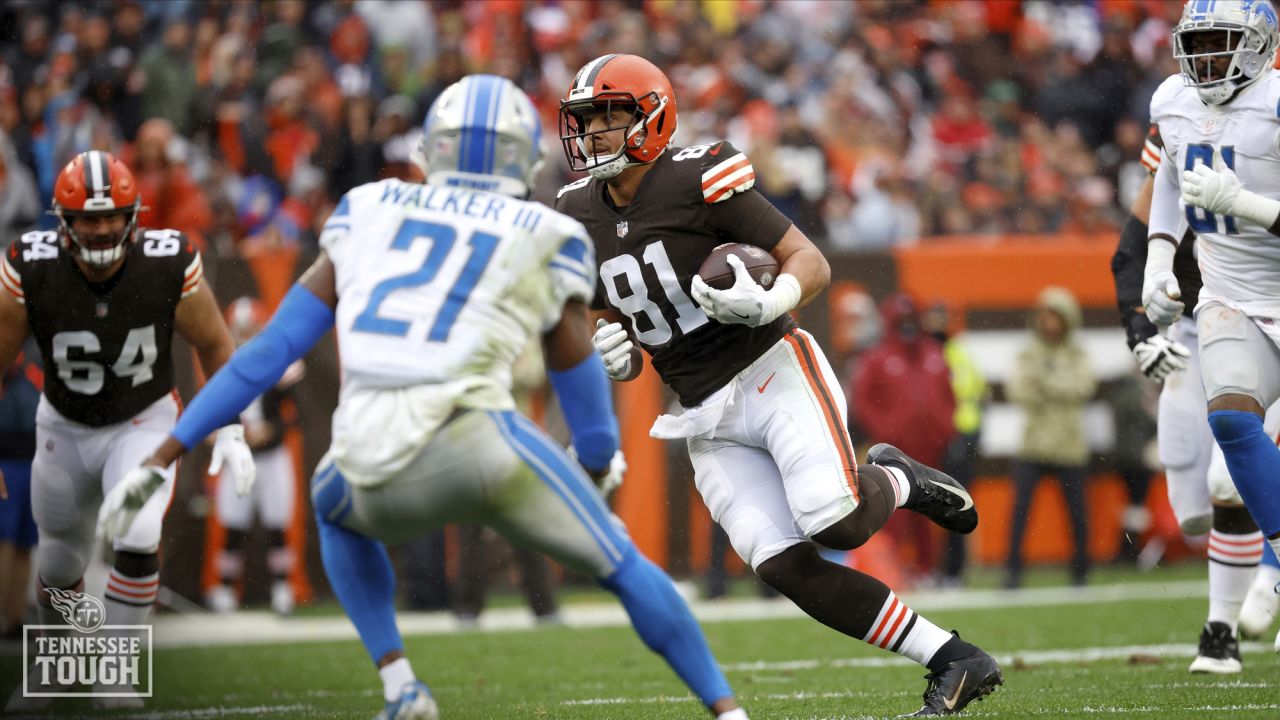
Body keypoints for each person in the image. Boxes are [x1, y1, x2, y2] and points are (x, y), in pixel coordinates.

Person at [99, 75, 749, 720]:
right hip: (477, 442)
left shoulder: (372, 206)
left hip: (365, 455)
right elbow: (574, 363)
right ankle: (726, 711)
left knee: (332, 510)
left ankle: (400, 683)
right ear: (521, 154)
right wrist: (600, 453)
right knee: (621, 562)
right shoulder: (544, 229)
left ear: (432, 147)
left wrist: (163, 452)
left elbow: (269, 353)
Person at [555, 54, 1002, 716]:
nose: (593, 135)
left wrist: (772, 301)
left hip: (772, 368)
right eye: (586, 121)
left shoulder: (698, 178)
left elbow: (808, 259)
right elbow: (597, 310)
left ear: (652, 120)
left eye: (610, 117)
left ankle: (899, 479)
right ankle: (955, 660)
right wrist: (609, 348)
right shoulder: (573, 212)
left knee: (838, 523)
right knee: (781, 565)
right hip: (701, 407)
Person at [0, 151, 255, 711]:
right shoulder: (30, 263)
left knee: (138, 531)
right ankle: (54, 668)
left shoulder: (167, 260)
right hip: (63, 424)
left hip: (144, 418)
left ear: (132, 214)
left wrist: (230, 425)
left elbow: (215, 345)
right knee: (61, 561)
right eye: (86, 218)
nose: (99, 228)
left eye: (110, 215)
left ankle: (116, 669)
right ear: (62, 222)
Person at [1142, 0, 1280, 656]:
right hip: (1231, 297)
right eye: (1198, 45)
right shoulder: (1172, 100)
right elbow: (1169, 180)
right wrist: (1157, 260)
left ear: (1260, 45)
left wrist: (1245, 204)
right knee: (1230, 420)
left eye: (1223, 44)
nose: (1207, 59)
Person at [1112, 124, 1277, 671]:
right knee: (1193, 514)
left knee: (1229, 479)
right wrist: (1142, 331)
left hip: (1268, 312)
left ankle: (1221, 628)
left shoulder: (1266, 123)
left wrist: (1246, 203)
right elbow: (1132, 249)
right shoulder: (1180, 118)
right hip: (1202, 324)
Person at [206, 296, 304, 617]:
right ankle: (223, 589)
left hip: (272, 455)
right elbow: (212, 409)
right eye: (240, 330)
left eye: (250, 330)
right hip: (238, 455)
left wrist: (272, 429)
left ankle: (282, 588)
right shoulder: (222, 363)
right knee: (234, 524)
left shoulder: (279, 363)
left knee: (277, 523)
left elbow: (299, 415)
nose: (245, 337)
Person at [852, 293, 956, 581]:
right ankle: (891, 571)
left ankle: (927, 570)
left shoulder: (934, 353)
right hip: (894, 453)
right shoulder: (878, 357)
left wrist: (944, 429)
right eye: (901, 321)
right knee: (894, 512)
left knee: (929, 510)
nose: (906, 327)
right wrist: (885, 430)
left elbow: (949, 396)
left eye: (911, 320)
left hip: (929, 448)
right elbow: (863, 401)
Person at [1004, 287, 1097, 589]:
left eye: (1054, 316)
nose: (1048, 322)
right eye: (1044, 316)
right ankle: (1013, 573)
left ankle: (1081, 571)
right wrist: (1058, 385)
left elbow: (1084, 387)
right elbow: (1016, 390)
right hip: (1033, 445)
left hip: (1069, 446)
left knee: (1077, 514)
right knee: (1019, 514)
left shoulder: (1078, 353)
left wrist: (1044, 383)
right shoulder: (1027, 352)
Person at [922, 301, 987, 586]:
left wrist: (970, 435)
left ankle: (953, 570)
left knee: (954, 505)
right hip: (933, 438)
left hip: (958, 437)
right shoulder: (926, 353)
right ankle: (934, 568)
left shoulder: (955, 353)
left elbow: (975, 393)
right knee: (928, 507)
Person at [0, 339, 40, 640]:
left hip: (37, 455)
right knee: (4, 540)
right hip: (7, 456)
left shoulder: (40, 343)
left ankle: (15, 618)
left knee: (25, 543)